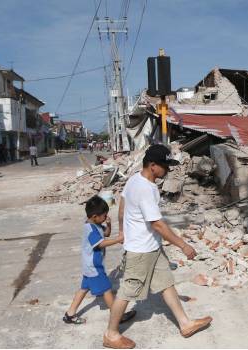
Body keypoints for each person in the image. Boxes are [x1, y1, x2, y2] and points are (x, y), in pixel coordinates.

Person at [103, 144, 212, 349]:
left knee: (165, 282)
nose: (168, 170)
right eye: (165, 166)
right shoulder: (146, 189)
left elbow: (122, 206)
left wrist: (122, 231)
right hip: (140, 250)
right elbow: (158, 224)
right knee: (128, 290)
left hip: (151, 246)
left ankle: (185, 323)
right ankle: (111, 333)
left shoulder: (135, 179)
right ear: (153, 165)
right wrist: (183, 245)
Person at [63, 195, 136, 325]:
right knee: (107, 289)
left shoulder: (96, 225)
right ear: (95, 216)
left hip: (89, 267)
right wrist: (118, 240)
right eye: (104, 215)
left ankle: (70, 314)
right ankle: (118, 316)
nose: (105, 217)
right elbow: (100, 244)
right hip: (94, 267)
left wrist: (108, 224)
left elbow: (106, 234)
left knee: (84, 289)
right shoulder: (90, 230)